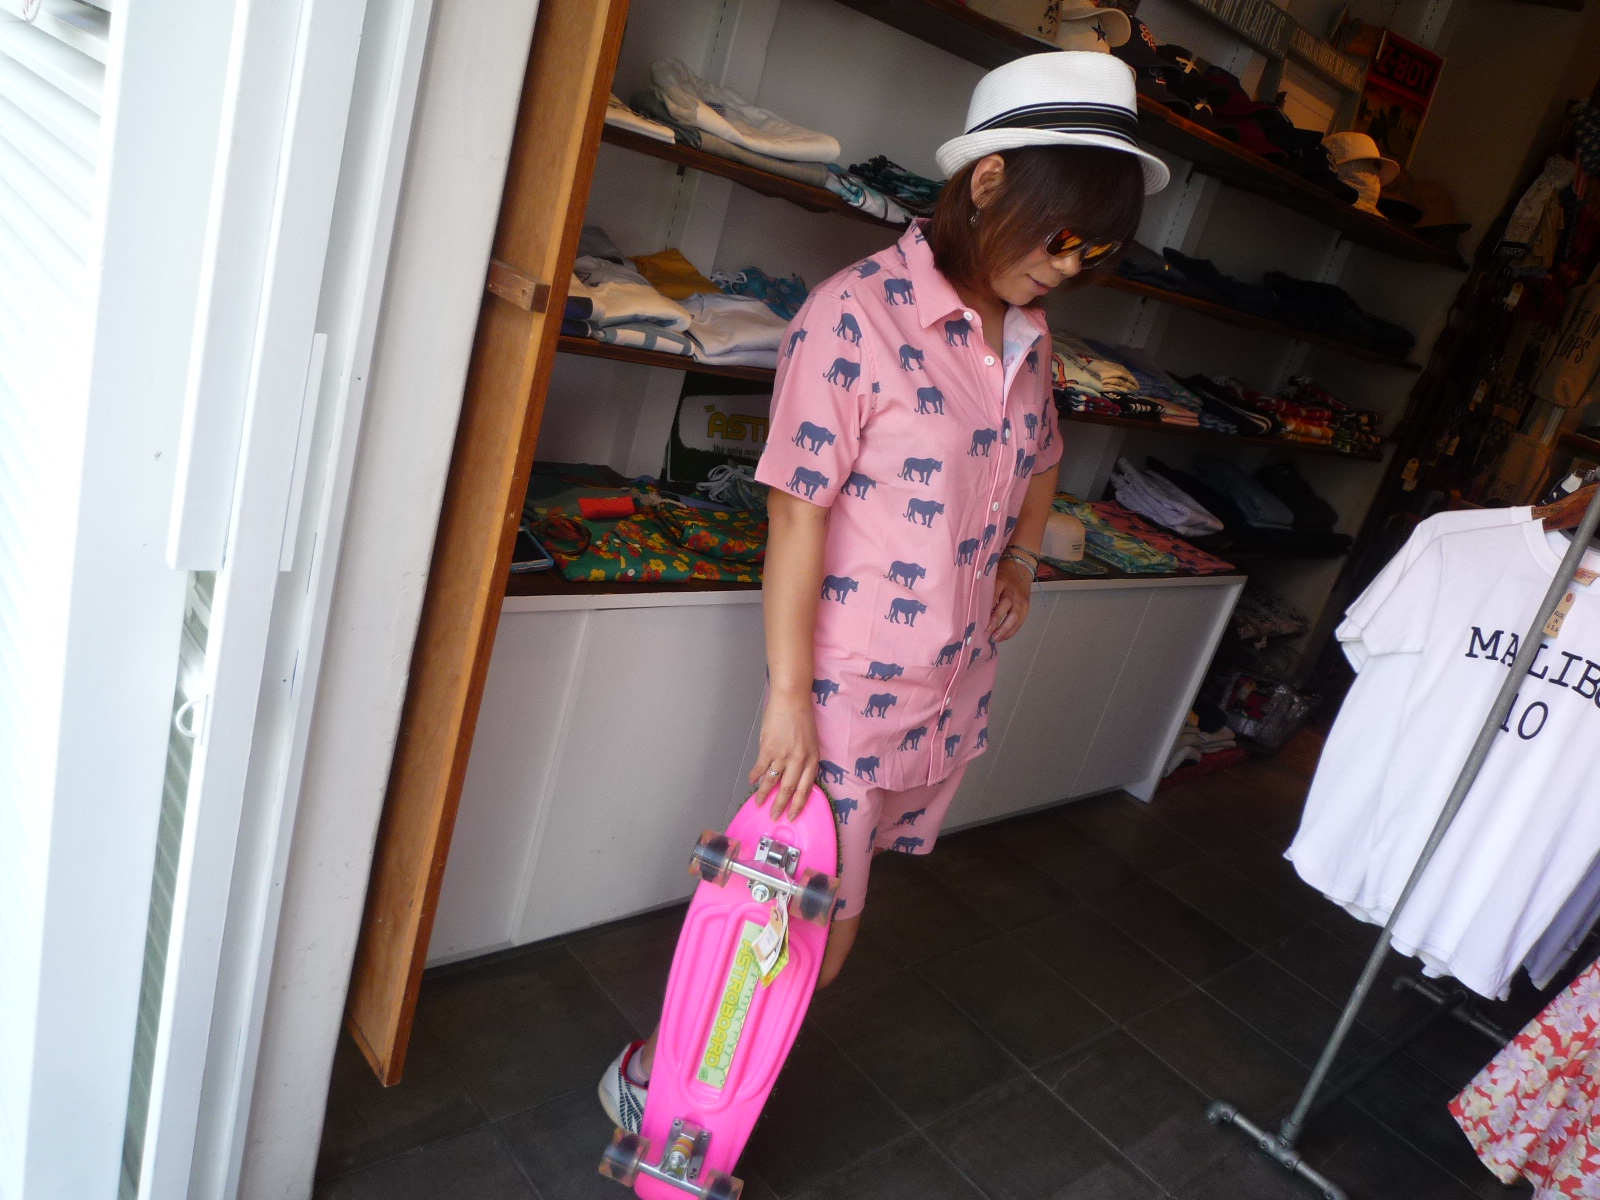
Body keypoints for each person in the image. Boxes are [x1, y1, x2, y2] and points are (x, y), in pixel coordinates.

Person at [599, 50, 1168, 1133]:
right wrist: (787, 699)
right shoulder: (855, 315)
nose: (1067, 268)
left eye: (1090, 252)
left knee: (811, 922)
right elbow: (796, 513)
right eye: (1060, 238)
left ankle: (680, 1080)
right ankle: (664, 1086)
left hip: (946, 686)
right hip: (847, 692)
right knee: (800, 920)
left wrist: (1020, 560)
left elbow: (1043, 458)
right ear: (989, 182)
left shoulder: (1027, 337)